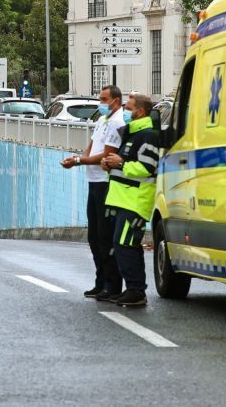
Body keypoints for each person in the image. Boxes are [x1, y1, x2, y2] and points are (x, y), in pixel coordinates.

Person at [61, 85, 125, 299]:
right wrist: (81, 157)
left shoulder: (117, 123)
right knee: (94, 237)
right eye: (100, 99)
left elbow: (107, 155)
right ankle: (101, 281)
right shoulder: (102, 120)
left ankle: (113, 284)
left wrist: (78, 161)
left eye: (104, 99)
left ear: (116, 100)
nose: (101, 103)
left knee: (105, 237)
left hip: (106, 183)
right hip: (93, 181)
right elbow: (91, 147)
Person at [100, 93, 160, 307]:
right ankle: (132, 289)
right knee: (122, 245)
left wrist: (120, 164)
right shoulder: (131, 134)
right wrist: (110, 164)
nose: (126, 111)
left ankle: (136, 290)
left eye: (129, 107)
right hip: (121, 198)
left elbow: (147, 168)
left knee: (125, 244)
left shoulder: (148, 136)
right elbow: (124, 162)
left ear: (141, 111)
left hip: (135, 200)